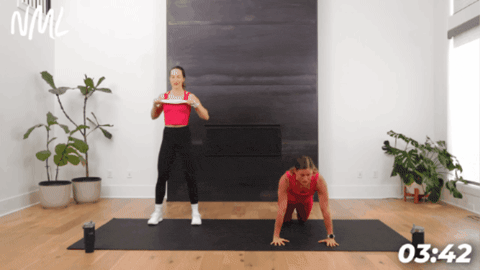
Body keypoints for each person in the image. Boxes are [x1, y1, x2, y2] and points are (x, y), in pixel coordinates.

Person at [149, 66, 209, 226]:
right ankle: (157, 212)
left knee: (190, 174)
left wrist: (195, 105)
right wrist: (156, 105)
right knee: (162, 174)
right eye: (172, 77)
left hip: (184, 134)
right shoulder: (164, 97)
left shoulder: (190, 96)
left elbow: (205, 116)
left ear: (183, 79)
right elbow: (154, 116)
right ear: (170, 79)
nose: (175, 80)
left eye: (178, 77)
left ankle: (195, 213)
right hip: (168, 135)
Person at [270, 156, 339, 247]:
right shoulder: (286, 179)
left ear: (313, 172)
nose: (305, 179)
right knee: (286, 221)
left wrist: (330, 237)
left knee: (303, 220)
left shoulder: (319, 180)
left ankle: (298, 212)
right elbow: (281, 209)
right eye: (302, 175)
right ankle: (289, 214)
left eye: (308, 175)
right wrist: (276, 236)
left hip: (306, 201)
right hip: (290, 201)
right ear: (295, 171)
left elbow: (325, 210)